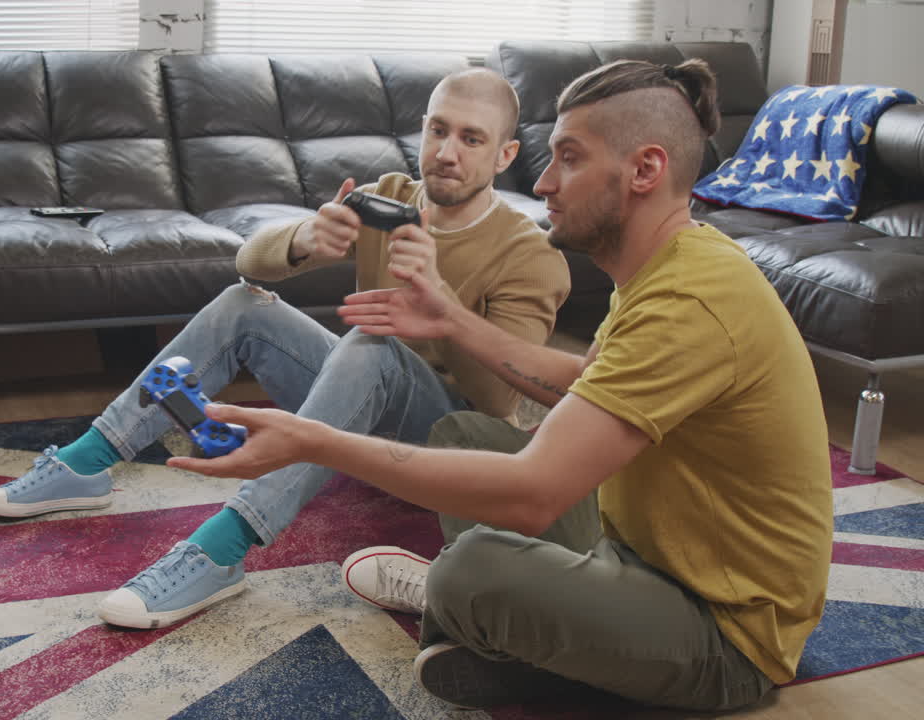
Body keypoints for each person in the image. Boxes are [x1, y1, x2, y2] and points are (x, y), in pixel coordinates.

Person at [168, 58, 833, 712]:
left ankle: (474, 612)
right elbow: (584, 379)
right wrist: (453, 319)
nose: (544, 183)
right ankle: (518, 630)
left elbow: (532, 496)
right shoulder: (668, 263)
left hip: (725, 633)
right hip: (636, 549)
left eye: (568, 158)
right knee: (466, 435)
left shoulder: (692, 296)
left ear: (645, 170)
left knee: (471, 567)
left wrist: (314, 441)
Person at [0, 68, 572, 629]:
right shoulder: (389, 194)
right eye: (439, 130)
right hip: (358, 418)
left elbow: (499, 397)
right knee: (244, 305)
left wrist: (443, 311)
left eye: (471, 138)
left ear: (505, 154)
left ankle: (223, 549)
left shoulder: (529, 254)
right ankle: (86, 462)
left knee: (371, 339)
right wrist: (306, 238)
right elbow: (247, 261)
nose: (446, 152)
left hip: (446, 449)